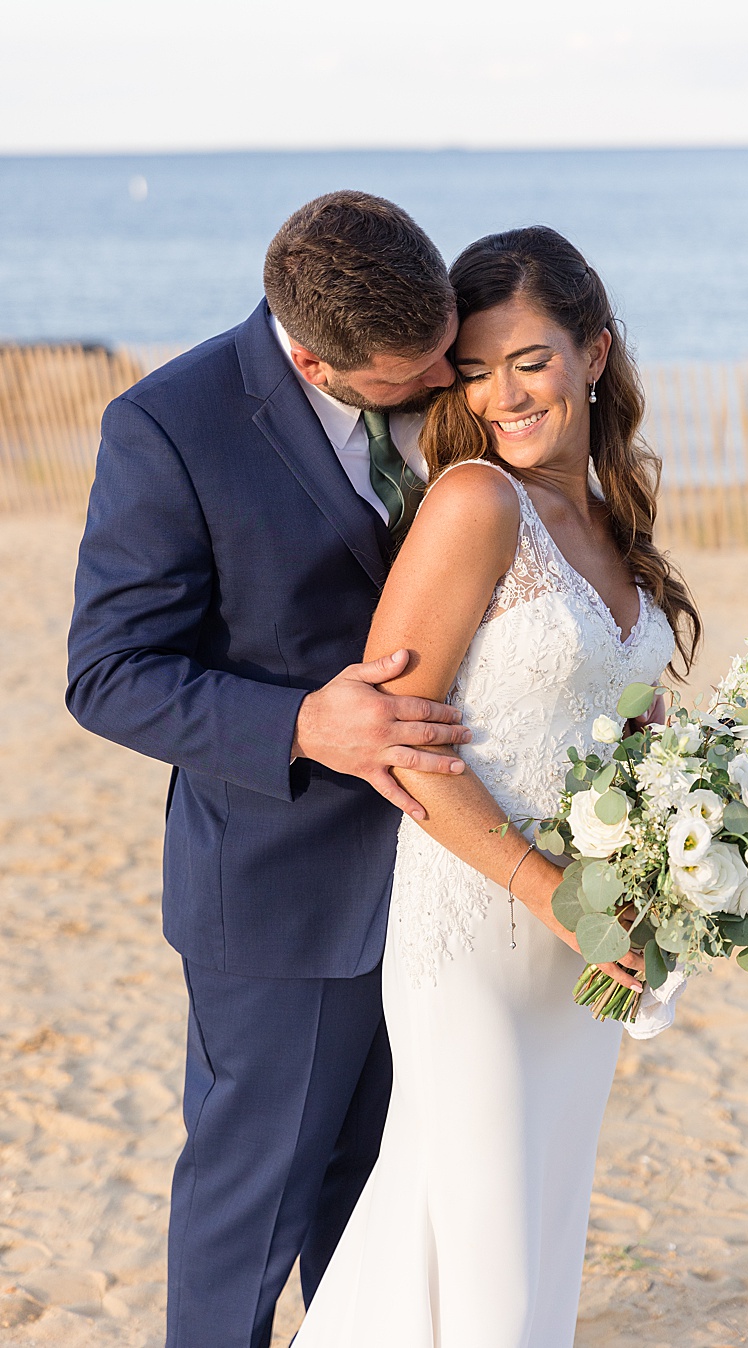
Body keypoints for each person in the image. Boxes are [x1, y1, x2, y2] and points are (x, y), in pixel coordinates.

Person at [67, 191, 478, 1348]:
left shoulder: (443, 371)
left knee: (380, 1196)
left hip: (445, 885)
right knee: (251, 1210)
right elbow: (107, 673)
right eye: (418, 367)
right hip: (282, 895)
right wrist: (303, 725)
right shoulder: (169, 428)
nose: (450, 377)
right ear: (314, 355)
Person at [289, 225, 701, 1344]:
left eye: (531, 359)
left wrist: (685, 866)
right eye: (474, 369)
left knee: (512, 1249)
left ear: (596, 352)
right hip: (475, 938)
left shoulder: (612, 521)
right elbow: (399, 746)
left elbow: (630, 726)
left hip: (586, 956)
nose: (504, 394)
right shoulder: (475, 504)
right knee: (493, 1289)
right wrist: (551, 889)